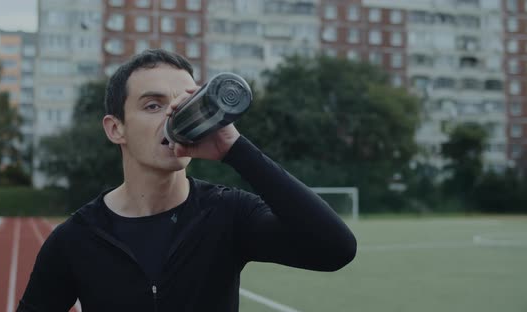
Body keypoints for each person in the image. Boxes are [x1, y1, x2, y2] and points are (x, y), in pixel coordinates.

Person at [18, 49, 357, 312]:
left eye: (184, 102)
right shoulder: (77, 238)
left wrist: (234, 147)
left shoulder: (228, 213)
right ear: (115, 128)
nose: (173, 116)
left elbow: (334, 250)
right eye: (153, 105)